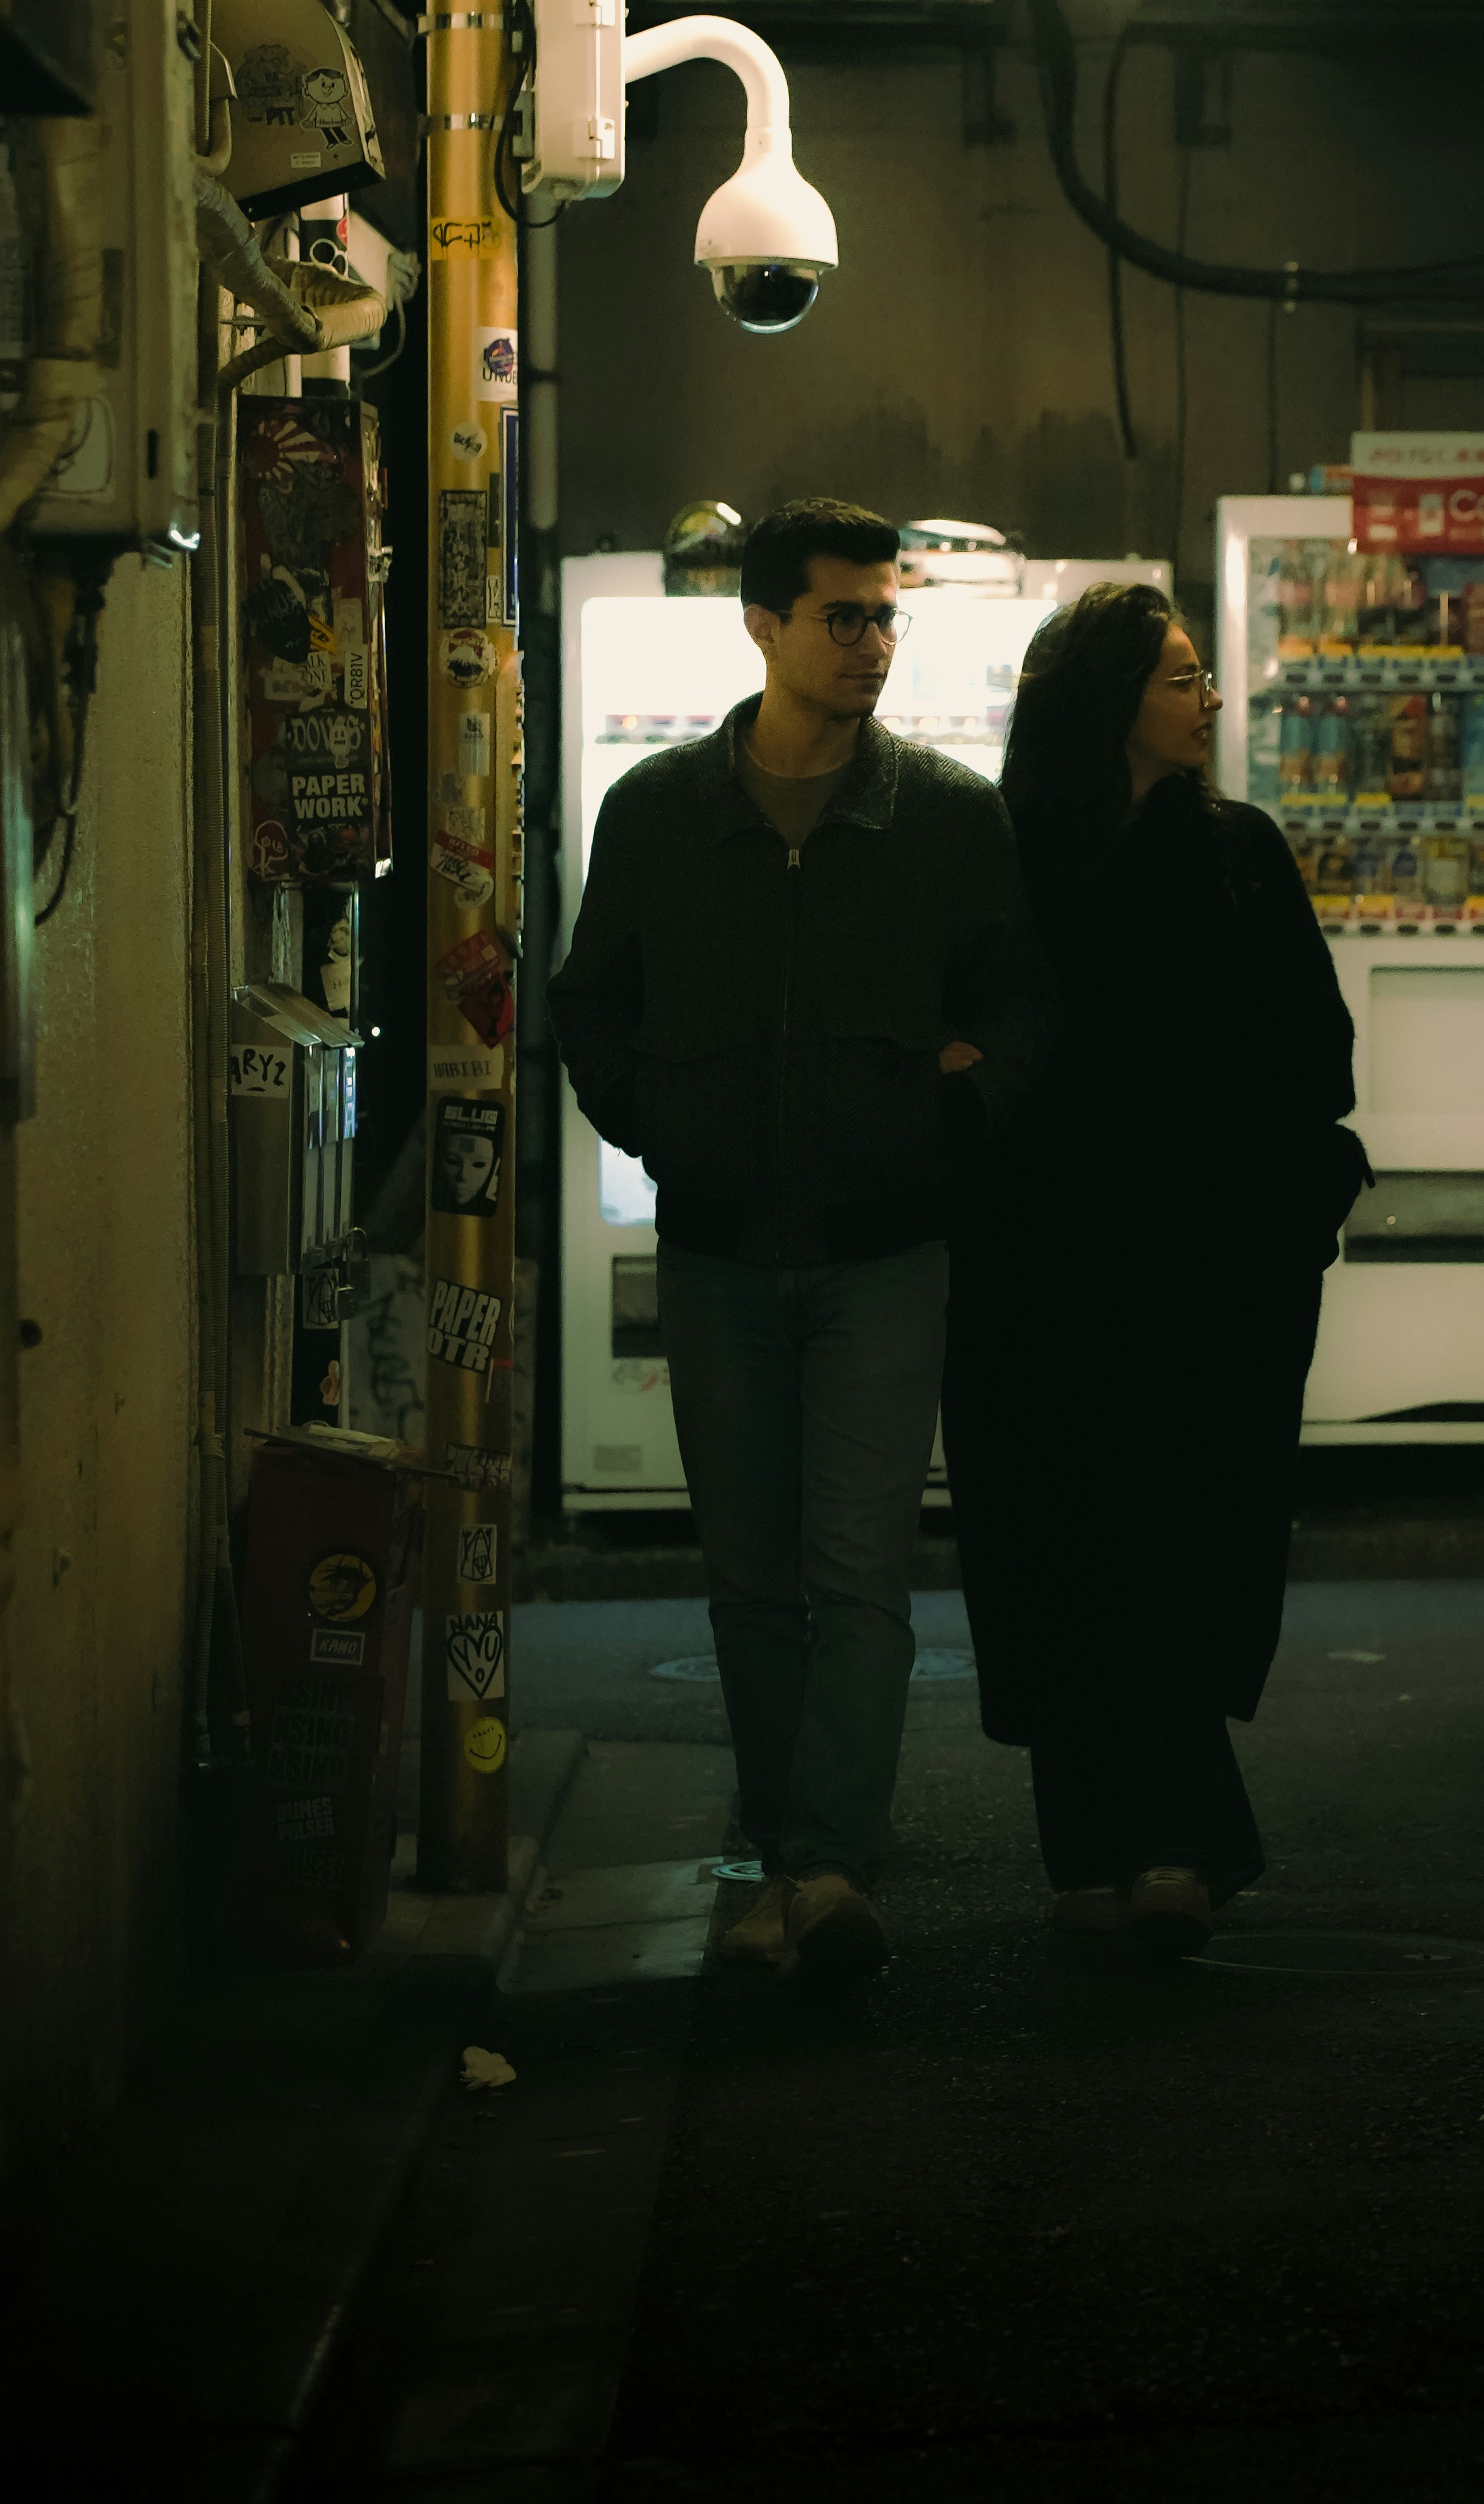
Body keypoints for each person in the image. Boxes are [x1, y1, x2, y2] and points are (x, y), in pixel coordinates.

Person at [549, 496, 1052, 1982]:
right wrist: (660, 1126)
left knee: (859, 1575)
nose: (874, 643)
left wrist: (962, 1106)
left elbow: (1024, 1003)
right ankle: (784, 1847)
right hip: (714, 1247)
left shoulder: (950, 818)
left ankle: (830, 1862)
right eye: (845, 616)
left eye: (889, 615)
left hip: (889, 1247)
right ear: (762, 623)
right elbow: (591, 1004)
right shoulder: (654, 810)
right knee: (750, 1577)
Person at [943, 584, 1366, 1956]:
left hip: (1204, 1266)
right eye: (1181, 676)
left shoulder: (1238, 847)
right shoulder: (1004, 851)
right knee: (1063, 1543)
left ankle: (1149, 1845)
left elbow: (1318, 1045)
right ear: (1109, 697)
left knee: (1158, 1534)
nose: (1206, 699)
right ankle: (1134, 1846)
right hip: (1044, 1269)